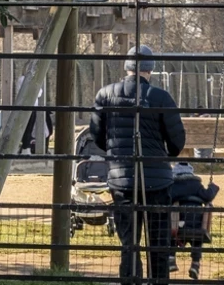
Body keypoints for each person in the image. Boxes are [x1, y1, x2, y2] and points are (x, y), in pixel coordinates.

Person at [87, 44, 187, 284]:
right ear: (150, 70)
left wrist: (116, 155)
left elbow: (97, 135)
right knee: (158, 244)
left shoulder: (105, 94)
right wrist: (163, 158)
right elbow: (177, 142)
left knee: (129, 243)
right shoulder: (161, 97)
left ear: (127, 68)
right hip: (158, 182)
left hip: (122, 180)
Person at [167, 163, 219, 279]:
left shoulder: (173, 185)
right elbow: (207, 196)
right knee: (197, 240)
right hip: (197, 225)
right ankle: (195, 264)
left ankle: (171, 259)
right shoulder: (196, 185)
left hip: (179, 224)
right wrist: (212, 187)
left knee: (171, 236)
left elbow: (168, 199)